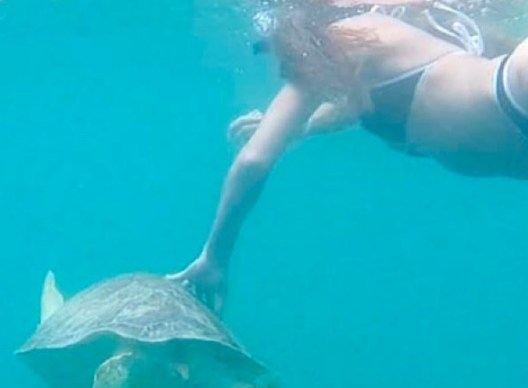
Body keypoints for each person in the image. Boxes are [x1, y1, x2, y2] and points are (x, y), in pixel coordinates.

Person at [168, 0, 528, 312]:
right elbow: (348, 110)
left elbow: (254, 160)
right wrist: (298, 127)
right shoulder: (369, 60)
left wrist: (216, 255)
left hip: (511, 91)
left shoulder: (351, 34)